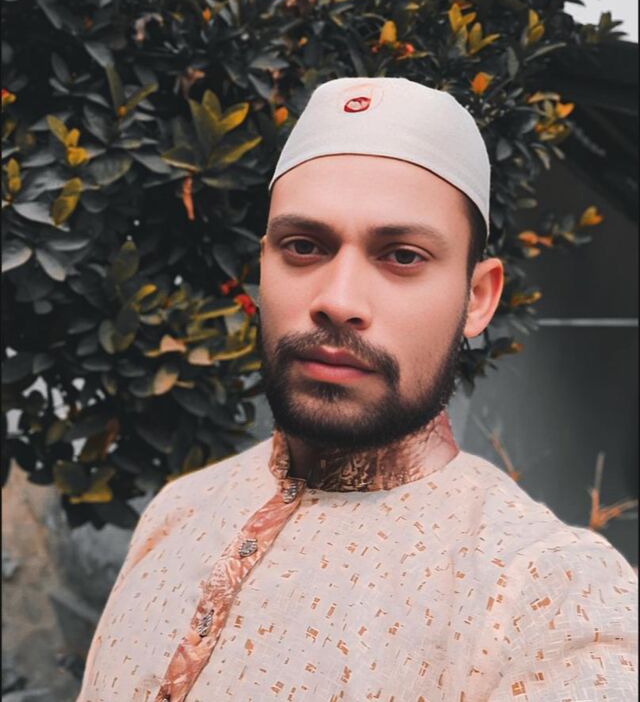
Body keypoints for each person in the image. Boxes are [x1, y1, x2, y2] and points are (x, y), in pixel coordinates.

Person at [78, 78, 637, 702]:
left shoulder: (545, 595)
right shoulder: (178, 509)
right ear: (262, 266)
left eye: (402, 256)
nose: (338, 300)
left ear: (478, 298)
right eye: (303, 247)